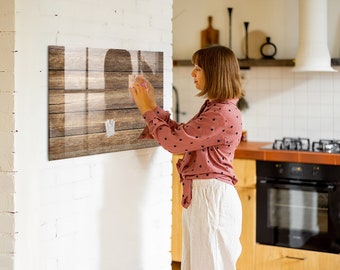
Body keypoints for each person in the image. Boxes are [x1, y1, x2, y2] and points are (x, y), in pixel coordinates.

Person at [130, 45, 243, 270]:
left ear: (214, 72)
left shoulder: (221, 113)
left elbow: (175, 143)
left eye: (198, 68)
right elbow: (182, 135)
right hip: (205, 197)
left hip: (211, 199)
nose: (193, 73)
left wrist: (146, 110)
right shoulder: (215, 108)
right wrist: (152, 106)